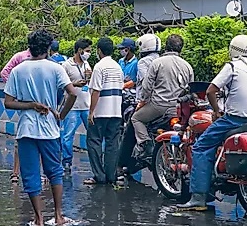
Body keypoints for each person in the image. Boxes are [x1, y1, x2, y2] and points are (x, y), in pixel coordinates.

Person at [3, 30, 79, 226]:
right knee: (54, 171)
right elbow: (72, 94)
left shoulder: (17, 70)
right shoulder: (55, 68)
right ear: (48, 48)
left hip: (26, 129)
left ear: (30, 47)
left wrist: (30, 105)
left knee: (30, 175)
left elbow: (8, 103)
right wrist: (60, 115)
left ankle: (38, 218)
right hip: (49, 129)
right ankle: (58, 215)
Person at [184, 34, 247, 211]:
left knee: (200, 147)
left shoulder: (232, 67)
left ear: (233, 50)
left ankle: (198, 197)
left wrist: (216, 111)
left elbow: (210, 91)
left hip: (233, 120)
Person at [130, 35, 194, 155]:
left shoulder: (157, 63)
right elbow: (189, 89)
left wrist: (142, 101)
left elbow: (147, 87)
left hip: (159, 106)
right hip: (178, 108)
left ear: (166, 47)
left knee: (136, 118)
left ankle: (145, 143)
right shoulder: (187, 66)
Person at [86, 37, 123, 185]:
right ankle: (111, 175)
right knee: (112, 144)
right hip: (115, 111)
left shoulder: (99, 67)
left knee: (94, 142)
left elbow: (96, 91)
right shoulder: (117, 67)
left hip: (101, 111)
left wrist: (91, 112)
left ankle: (99, 175)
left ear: (99, 51)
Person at [59, 38, 93, 171]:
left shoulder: (87, 64)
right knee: (68, 135)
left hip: (86, 104)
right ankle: (67, 161)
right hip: (72, 106)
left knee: (92, 135)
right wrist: (74, 84)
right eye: (87, 51)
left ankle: (95, 161)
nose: (88, 53)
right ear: (79, 50)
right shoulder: (66, 66)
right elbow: (61, 84)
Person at [1, 44, 32, 184]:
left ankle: (18, 173)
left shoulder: (47, 62)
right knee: (22, 137)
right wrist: (14, 89)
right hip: (25, 102)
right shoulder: (21, 58)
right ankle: (16, 172)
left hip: (33, 102)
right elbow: (5, 72)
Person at [134, 34, 162, 102]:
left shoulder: (143, 62)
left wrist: (142, 101)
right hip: (159, 99)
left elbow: (146, 84)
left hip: (145, 101)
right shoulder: (161, 60)